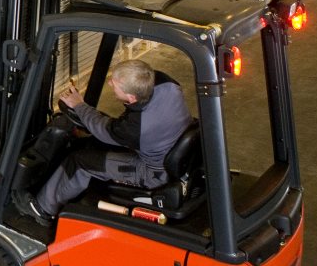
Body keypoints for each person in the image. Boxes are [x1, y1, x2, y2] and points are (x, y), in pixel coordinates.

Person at [13, 59, 192, 224]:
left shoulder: (134, 128)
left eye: (114, 85)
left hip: (153, 172)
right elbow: (114, 128)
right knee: (92, 143)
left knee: (79, 161)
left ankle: (42, 209)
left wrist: (78, 105)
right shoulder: (164, 82)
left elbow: (103, 129)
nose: (110, 84)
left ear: (131, 98)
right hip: (170, 145)